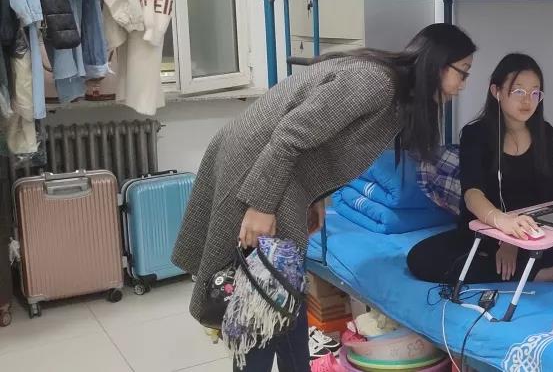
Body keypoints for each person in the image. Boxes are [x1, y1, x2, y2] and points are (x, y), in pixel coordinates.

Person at [171, 23, 477, 372]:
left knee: (283, 285)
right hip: (257, 166)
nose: (463, 85)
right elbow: (290, 135)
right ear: (437, 63)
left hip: (277, 169)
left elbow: (321, 145)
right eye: (463, 72)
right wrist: (261, 205)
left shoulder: (394, 94)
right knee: (261, 295)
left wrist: (313, 199)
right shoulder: (376, 83)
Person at [407, 53, 553, 285]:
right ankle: (530, 273)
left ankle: (519, 267)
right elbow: (472, 194)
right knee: (421, 259)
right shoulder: (475, 134)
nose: (527, 100)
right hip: (488, 228)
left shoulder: (544, 132)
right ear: (496, 91)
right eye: (518, 91)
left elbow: (547, 194)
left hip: (531, 229)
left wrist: (517, 239)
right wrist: (504, 229)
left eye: (535, 93)